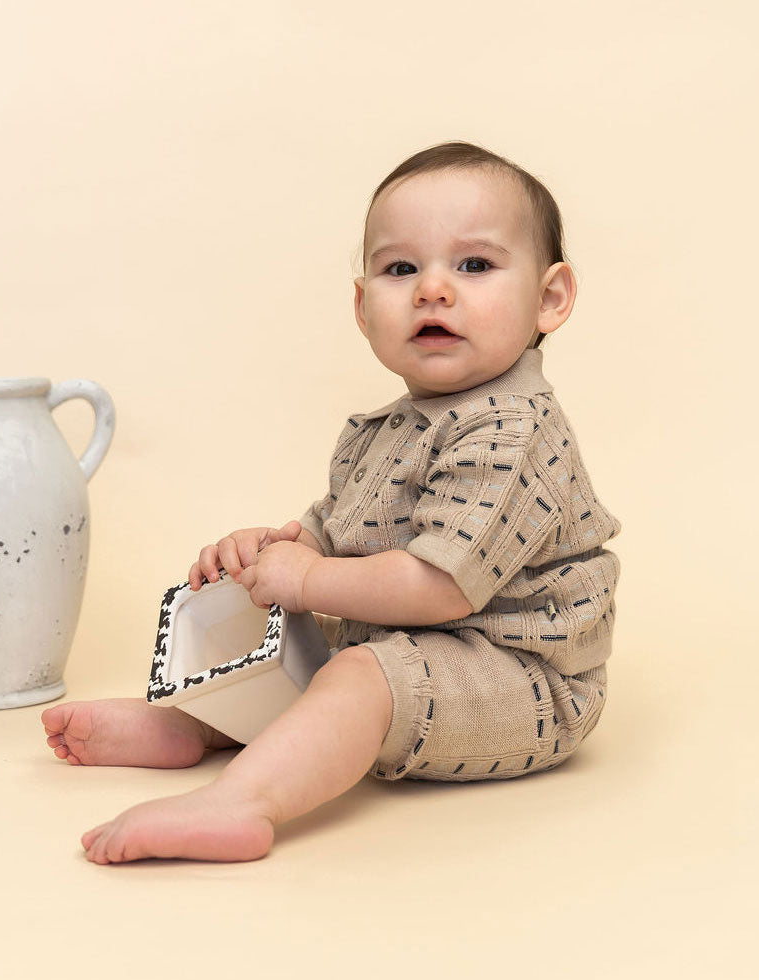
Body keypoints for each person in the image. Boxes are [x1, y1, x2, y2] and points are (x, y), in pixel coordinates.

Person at [42, 141, 622, 865]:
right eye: (400, 269)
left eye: (474, 265)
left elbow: (439, 587)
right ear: (362, 306)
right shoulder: (385, 429)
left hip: (519, 675)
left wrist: (310, 578)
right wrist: (279, 552)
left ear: (549, 298)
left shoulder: (512, 430)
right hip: (405, 645)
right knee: (291, 632)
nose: (432, 290)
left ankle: (240, 802)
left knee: (357, 674)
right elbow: (339, 532)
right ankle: (200, 722)